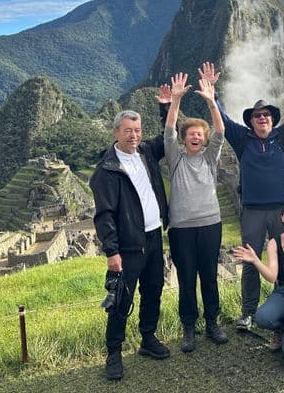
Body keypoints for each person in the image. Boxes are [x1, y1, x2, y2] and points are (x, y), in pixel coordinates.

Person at [200, 58, 284, 330]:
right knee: (250, 260)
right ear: (252, 120)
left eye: (266, 115)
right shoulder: (242, 139)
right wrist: (214, 94)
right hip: (253, 211)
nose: (262, 118)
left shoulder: (282, 138)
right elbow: (221, 118)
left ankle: (282, 308)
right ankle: (248, 312)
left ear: (272, 120)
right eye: (258, 116)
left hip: (281, 211)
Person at [91, 90, 172, 381]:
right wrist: (112, 252)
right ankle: (113, 352)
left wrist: (166, 106)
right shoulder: (107, 170)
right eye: (128, 131)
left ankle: (147, 338)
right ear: (116, 132)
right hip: (127, 245)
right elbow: (104, 216)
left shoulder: (146, 153)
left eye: (137, 130)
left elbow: (168, 137)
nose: (133, 136)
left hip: (153, 238)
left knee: (153, 291)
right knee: (122, 299)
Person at [164, 73, 228, 352]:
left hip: (210, 225)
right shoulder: (175, 158)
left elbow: (221, 133)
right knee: (186, 278)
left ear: (204, 140)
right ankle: (189, 328)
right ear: (184, 138)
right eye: (191, 134)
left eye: (199, 135)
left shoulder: (210, 159)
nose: (195, 137)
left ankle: (213, 322)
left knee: (209, 277)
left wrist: (212, 102)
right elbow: (168, 132)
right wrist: (175, 101)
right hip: (181, 228)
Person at [232, 201, 284, 359]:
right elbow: (272, 276)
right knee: (261, 318)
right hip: (283, 293)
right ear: (282, 218)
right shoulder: (274, 243)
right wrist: (256, 260)